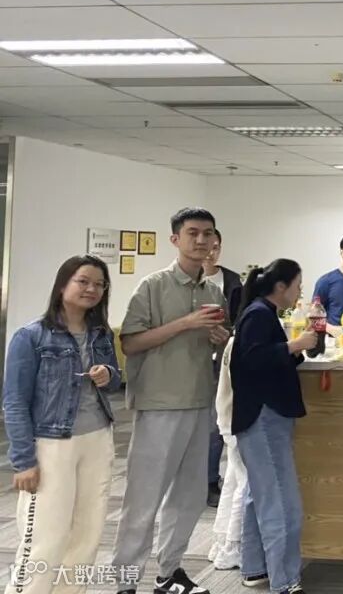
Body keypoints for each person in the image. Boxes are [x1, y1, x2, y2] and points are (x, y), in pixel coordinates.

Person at [113, 208, 230, 594]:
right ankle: (125, 581)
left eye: (208, 234)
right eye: (193, 233)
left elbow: (212, 348)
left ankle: (169, 572)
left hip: (199, 402)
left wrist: (219, 339)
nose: (201, 240)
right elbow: (130, 343)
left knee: (189, 497)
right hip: (159, 404)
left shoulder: (213, 292)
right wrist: (185, 323)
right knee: (144, 499)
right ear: (175, 239)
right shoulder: (153, 285)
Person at [3, 255, 122, 594]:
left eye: (99, 284)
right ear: (62, 285)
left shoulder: (100, 334)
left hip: (98, 439)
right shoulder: (31, 336)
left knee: (87, 534)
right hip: (52, 444)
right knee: (46, 536)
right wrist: (23, 461)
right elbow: (14, 402)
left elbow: (115, 381)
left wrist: (108, 374)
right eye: (83, 281)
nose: (92, 289)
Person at [231, 260, 317, 594]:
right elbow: (252, 360)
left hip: (264, 416)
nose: (299, 291)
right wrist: (294, 346)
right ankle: (285, 581)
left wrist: (295, 350)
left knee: (261, 494)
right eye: (297, 285)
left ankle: (255, 568)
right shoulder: (258, 314)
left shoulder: (263, 313)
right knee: (280, 500)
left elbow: (266, 358)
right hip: (263, 417)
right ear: (281, 287)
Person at [205, 229, 243, 508]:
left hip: (221, 359)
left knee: (216, 422)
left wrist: (227, 334)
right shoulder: (182, 282)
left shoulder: (231, 281)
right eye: (207, 246)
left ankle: (209, 481)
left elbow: (239, 320)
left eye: (216, 246)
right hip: (189, 360)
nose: (210, 252)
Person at [207, 334, 246, 572]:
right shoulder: (247, 335)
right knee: (245, 483)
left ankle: (223, 541)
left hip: (229, 419)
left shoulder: (234, 338)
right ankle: (234, 546)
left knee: (233, 480)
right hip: (238, 421)